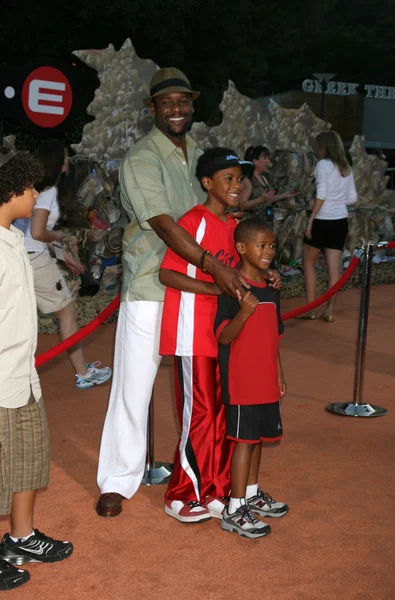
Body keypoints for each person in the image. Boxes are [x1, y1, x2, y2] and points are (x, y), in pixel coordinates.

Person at [95, 68, 257, 518]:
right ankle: (117, 479)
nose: (177, 109)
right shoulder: (141, 158)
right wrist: (211, 266)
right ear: (152, 109)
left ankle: (200, 478)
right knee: (134, 385)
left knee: (201, 393)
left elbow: (221, 211)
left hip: (200, 293)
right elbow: (165, 224)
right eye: (167, 102)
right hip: (152, 285)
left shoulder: (202, 156)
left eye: (183, 101)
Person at [159, 148, 255, 523]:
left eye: (239, 178)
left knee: (219, 413)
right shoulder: (194, 220)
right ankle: (180, 495)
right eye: (227, 178)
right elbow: (167, 274)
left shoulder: (234, 227)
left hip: (220, 334)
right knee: (197, 414)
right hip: (191, 332)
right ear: (207, 183)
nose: (236, 185)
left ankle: (212, 487)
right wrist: (215, 288)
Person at [0, 147, 73, 591]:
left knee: (28, 457)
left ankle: (21, 538)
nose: (34, 195)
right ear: (13, 191)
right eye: (30, 188)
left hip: (23, 373)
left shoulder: (13, 238)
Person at [14, 139, 112, 389]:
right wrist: (62, 237)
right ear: (58, 164)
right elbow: (38, 233)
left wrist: (63, 254)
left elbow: (29, 230)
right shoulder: (46, 191)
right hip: (34, 261)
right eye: (66, 157)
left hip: (15, 256)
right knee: (66, 312)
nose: (68, 161)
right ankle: (82, 373)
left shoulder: (25, 183)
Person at [215, 218, 288, 539]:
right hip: (242, 382)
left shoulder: (271, 289)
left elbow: (275, 338)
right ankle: (234, 507)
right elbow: (223, 337)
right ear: (242, 248)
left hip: (266, 380)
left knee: (258, 439)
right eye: (262, 245)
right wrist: (243, 312)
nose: (269, 251)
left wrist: (279, 374)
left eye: (272, 245)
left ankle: (253, 493)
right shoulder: (233, 290)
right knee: (243, 442)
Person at [301, 130, 357, 322]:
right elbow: (352, 198)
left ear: (324, 146)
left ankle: (311, 308)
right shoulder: (346, 167)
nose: (317, 149)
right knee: (334, 268)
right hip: (340, 221)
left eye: (318, 145)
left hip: (322, 220)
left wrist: (311, 219)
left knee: (308, 263)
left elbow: (321, 195)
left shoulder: (322, 165)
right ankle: (329, 310)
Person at [238, 145, 299, 220]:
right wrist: (260, 199)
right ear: (255, 161)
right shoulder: (247, 180)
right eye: (265, 158)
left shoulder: (263, 177)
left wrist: (284, 195)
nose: (268, 161)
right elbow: (242, 205)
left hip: (265, 221)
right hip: (253, 224)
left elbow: (266, 199)